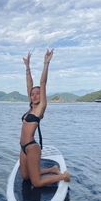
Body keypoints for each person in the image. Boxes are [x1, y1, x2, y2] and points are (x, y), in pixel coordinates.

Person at [20, 49, 70, 187]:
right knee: (25, 176)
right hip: (22, 147)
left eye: (38, 94)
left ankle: (63, 176)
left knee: (36, 183)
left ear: (41, 96)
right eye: (32, 94)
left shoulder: (40, 108)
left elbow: (42, 83)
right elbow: (29, 85)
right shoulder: (30, 107)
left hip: (32, 147)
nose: (34, 95)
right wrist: (27, 67)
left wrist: (46, 63)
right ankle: (52, 170)